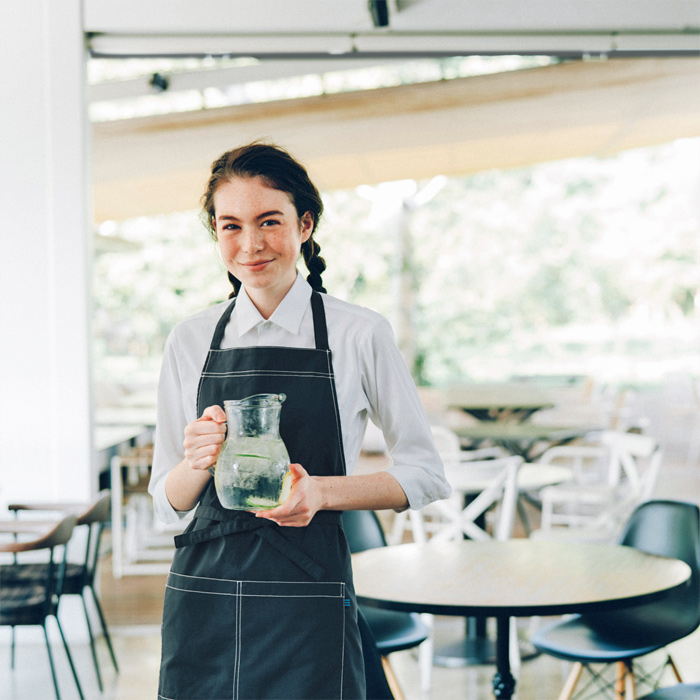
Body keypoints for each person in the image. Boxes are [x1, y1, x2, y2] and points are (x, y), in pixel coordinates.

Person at [148, 141, 451, 699]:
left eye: (269, 221)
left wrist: (321, 494)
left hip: (308, 592)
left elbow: (426, 475)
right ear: (216, 233)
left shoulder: (360, 333)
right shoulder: (189, 340)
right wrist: (196, 462)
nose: (251, 244)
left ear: (304, 225)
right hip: (204, 597)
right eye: (231, 226)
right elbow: (167, 502)